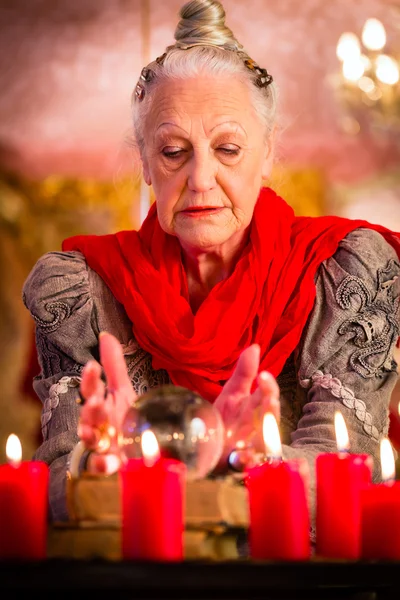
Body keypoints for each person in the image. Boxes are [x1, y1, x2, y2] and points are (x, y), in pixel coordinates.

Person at [23, 0, 400, 541]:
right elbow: (55, 486)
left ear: (267, 154)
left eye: (227, 148)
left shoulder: (344, 271)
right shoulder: (81, 289)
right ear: (146, 165)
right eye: (174, 151)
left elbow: (343, 473)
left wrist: (187, 462)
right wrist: (95, 466)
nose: (201, 178)